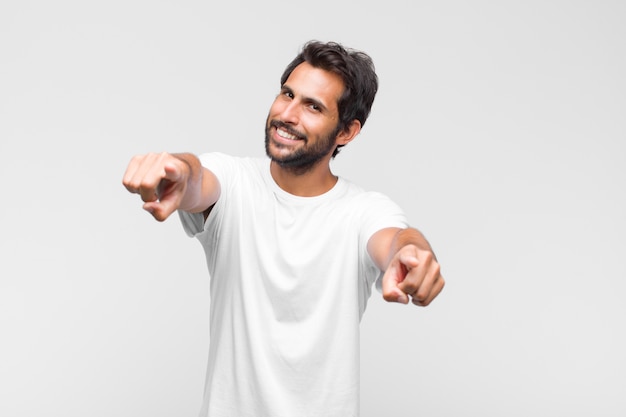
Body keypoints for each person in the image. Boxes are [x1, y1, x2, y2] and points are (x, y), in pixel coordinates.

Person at [122, 40, 445, 417]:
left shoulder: (362, 211)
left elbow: (394, 240)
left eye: (313, 106)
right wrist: (174, 169)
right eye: (287, 94)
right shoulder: (234, 182)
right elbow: (196, 178)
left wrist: (413, 253)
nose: (287, 114)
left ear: (346, 132)